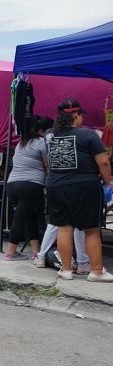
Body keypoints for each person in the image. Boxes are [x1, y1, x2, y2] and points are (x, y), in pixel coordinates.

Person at [46, 98, 113, 282]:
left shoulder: (50, 135)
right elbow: (104, 161)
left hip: (55, 185)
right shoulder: (88, 135)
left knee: (64, 228)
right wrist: (108, 181)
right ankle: (97, 271)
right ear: (75, 114)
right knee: (91, 230)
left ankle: (66, 270)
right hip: (83, 186)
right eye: (80, 114)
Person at [4, 116, 53, 261]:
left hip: (12, 185)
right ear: (41, 131)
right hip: (30, 185)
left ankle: (36, 252)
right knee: (20, 219)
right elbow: (47, 166)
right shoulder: (42, 143)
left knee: (29, 217)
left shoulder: (22, 143)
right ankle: (10, 252)